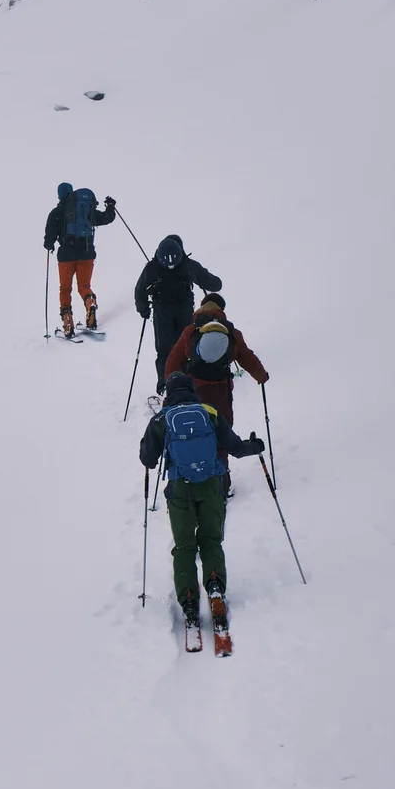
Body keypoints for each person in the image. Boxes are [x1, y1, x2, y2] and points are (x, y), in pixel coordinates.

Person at [137, 372, 265, 635]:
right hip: (212, 485)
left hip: (180, 489)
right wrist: (256, 446)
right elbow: (236, 448)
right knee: (210, 540)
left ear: (169, 394)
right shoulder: (209, 411)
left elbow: (147, 459)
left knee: (184, 545)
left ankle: (189, 601)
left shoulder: (161, 418)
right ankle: (215, 587)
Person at [163, 292, 268, 492]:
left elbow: (172, 362)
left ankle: (192, 474)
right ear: (221, 310)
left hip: (195, 391)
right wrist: (261, 376)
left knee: (194, 430)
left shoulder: (190, 332)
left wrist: (172, 388)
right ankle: (222, 482)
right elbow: (247, 357)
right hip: (222, 391)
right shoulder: (231, 333)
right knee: (222, 433)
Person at [133, 235, 223, 395]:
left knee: (166, 349)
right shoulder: (187, 265)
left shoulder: (153, 268)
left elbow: (140, 290)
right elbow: (212, 282)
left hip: (163, 311)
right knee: (186, 345)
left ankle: (166, 384)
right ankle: (184, 382)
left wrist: (143, 307)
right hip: (181, 309)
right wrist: (212, 284)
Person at [43, 183, 117, 336]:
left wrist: (50, 245)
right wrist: (110, 206)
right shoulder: (85, 210)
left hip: (66, 257)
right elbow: (106, 218)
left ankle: (67, 322)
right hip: (87, 254)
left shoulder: (56, 212)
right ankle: (90, 303)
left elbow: (48, 240)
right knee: (84, 286)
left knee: (65, 289)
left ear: (59, 195)